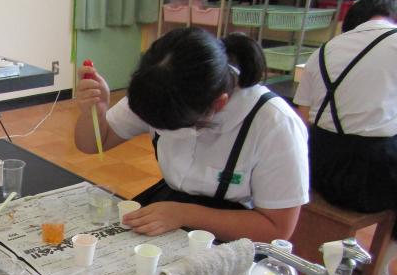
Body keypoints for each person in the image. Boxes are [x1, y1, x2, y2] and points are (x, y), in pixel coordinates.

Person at [75, 27, 309, 243]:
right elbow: (94, 143)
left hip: (235, 229)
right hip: (170, 205)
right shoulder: (159, 88)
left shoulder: (275, 124)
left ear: (219, 104)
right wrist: (94, 114)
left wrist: (184, 214)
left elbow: (277, 228)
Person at [293, 0, 397, 275]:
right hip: (370, 178)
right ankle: (382, 266)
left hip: (317, 167)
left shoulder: (322, 52)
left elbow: (301, 120)